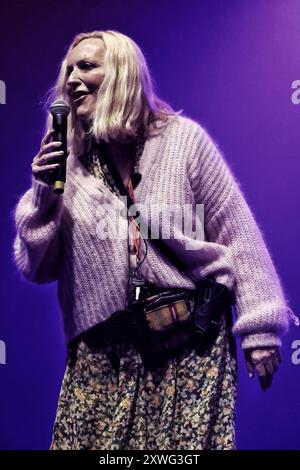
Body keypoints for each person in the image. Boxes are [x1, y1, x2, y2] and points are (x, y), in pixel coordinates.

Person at [13, 30, 296, 450]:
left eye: (86, 66)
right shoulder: (66, 169)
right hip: (103, 360)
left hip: (189, 346)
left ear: (124, 74)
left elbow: (238, 233)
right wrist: (44, 194)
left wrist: (260, 330)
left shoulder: (183, 142)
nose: (71, 79)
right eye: (67, 71)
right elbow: (37, 267)